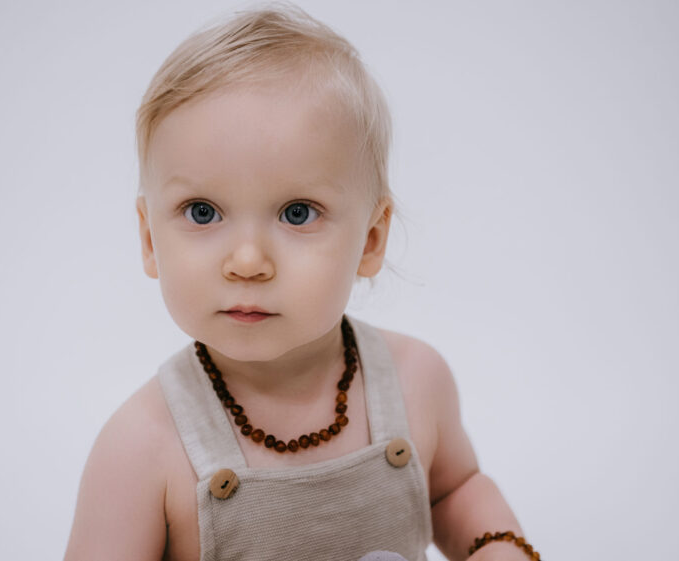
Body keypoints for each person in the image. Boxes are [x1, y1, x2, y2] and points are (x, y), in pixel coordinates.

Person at [64, 3, 531, 560]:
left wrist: (498, 546)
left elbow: (455, 491)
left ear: (371, 239)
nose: (247, 261)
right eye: (203, 212)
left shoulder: (415, 383)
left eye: (297, 213)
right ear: (148, 240)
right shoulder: (141, 447)